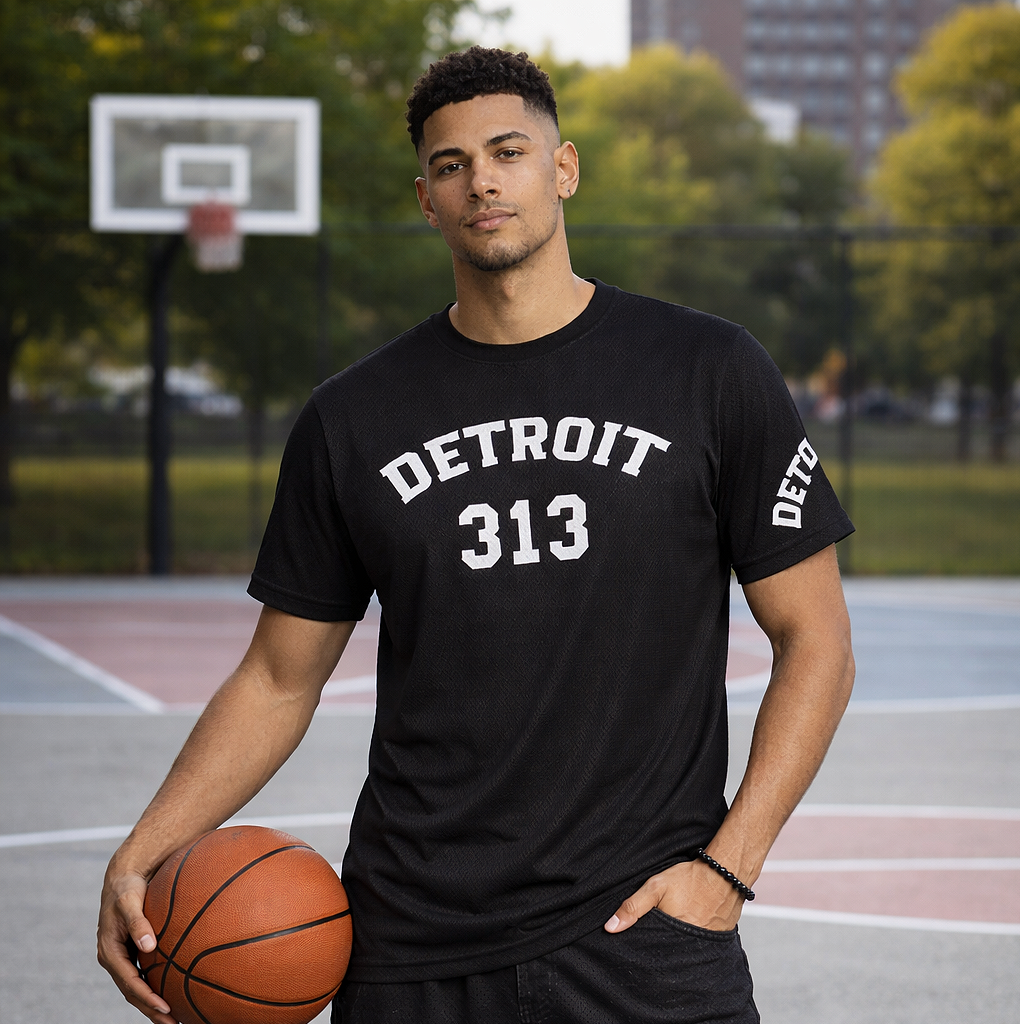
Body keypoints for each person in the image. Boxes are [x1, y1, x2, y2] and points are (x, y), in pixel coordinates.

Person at [98, 47, 855, 1024]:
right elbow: (280, 677)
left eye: (508, 151)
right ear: (426, 198)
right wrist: (146, 845)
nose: (482, 180)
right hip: (411, 945)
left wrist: (728, 866)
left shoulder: (706, 370)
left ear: (563, 168)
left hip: (644, 937)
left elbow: (817, 640)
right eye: (451, 165)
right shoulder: (353, 418)